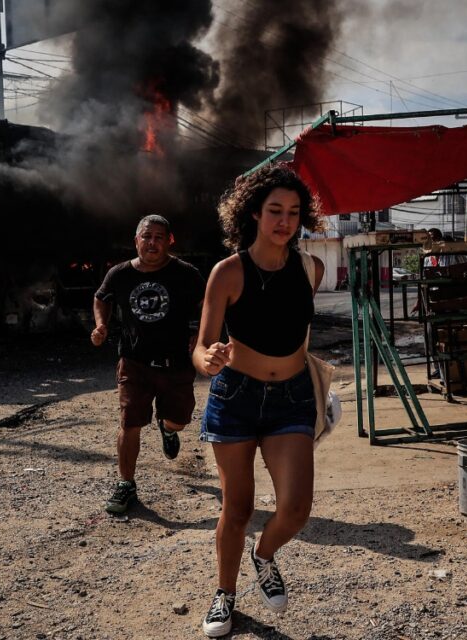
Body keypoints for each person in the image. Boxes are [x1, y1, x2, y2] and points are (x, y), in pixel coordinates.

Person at [192, 166, 325, 637]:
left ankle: (264, 555)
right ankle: (224, 595)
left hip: (291, 398)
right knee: (238, 508)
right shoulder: (227, 272)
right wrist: (208, 357)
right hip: (236, 398)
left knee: (296, 509)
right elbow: (201, 343)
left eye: (293, 212)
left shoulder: (311, 268)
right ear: (253, 213)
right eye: (274, 211)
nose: (284, 221)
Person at [91, 214, 205, 515]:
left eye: (158, 237)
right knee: (129, 423)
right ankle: (126, 484)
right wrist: (101, 325)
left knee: (180, 418)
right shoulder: (119, 274)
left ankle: (168, 429)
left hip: (176, 362)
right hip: (134, 362)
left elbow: (206, 305)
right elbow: (101, 297)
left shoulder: (187, 274)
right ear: (136, 240)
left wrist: (199, 334)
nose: (151, 242)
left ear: (169, 241)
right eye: (146, 236)